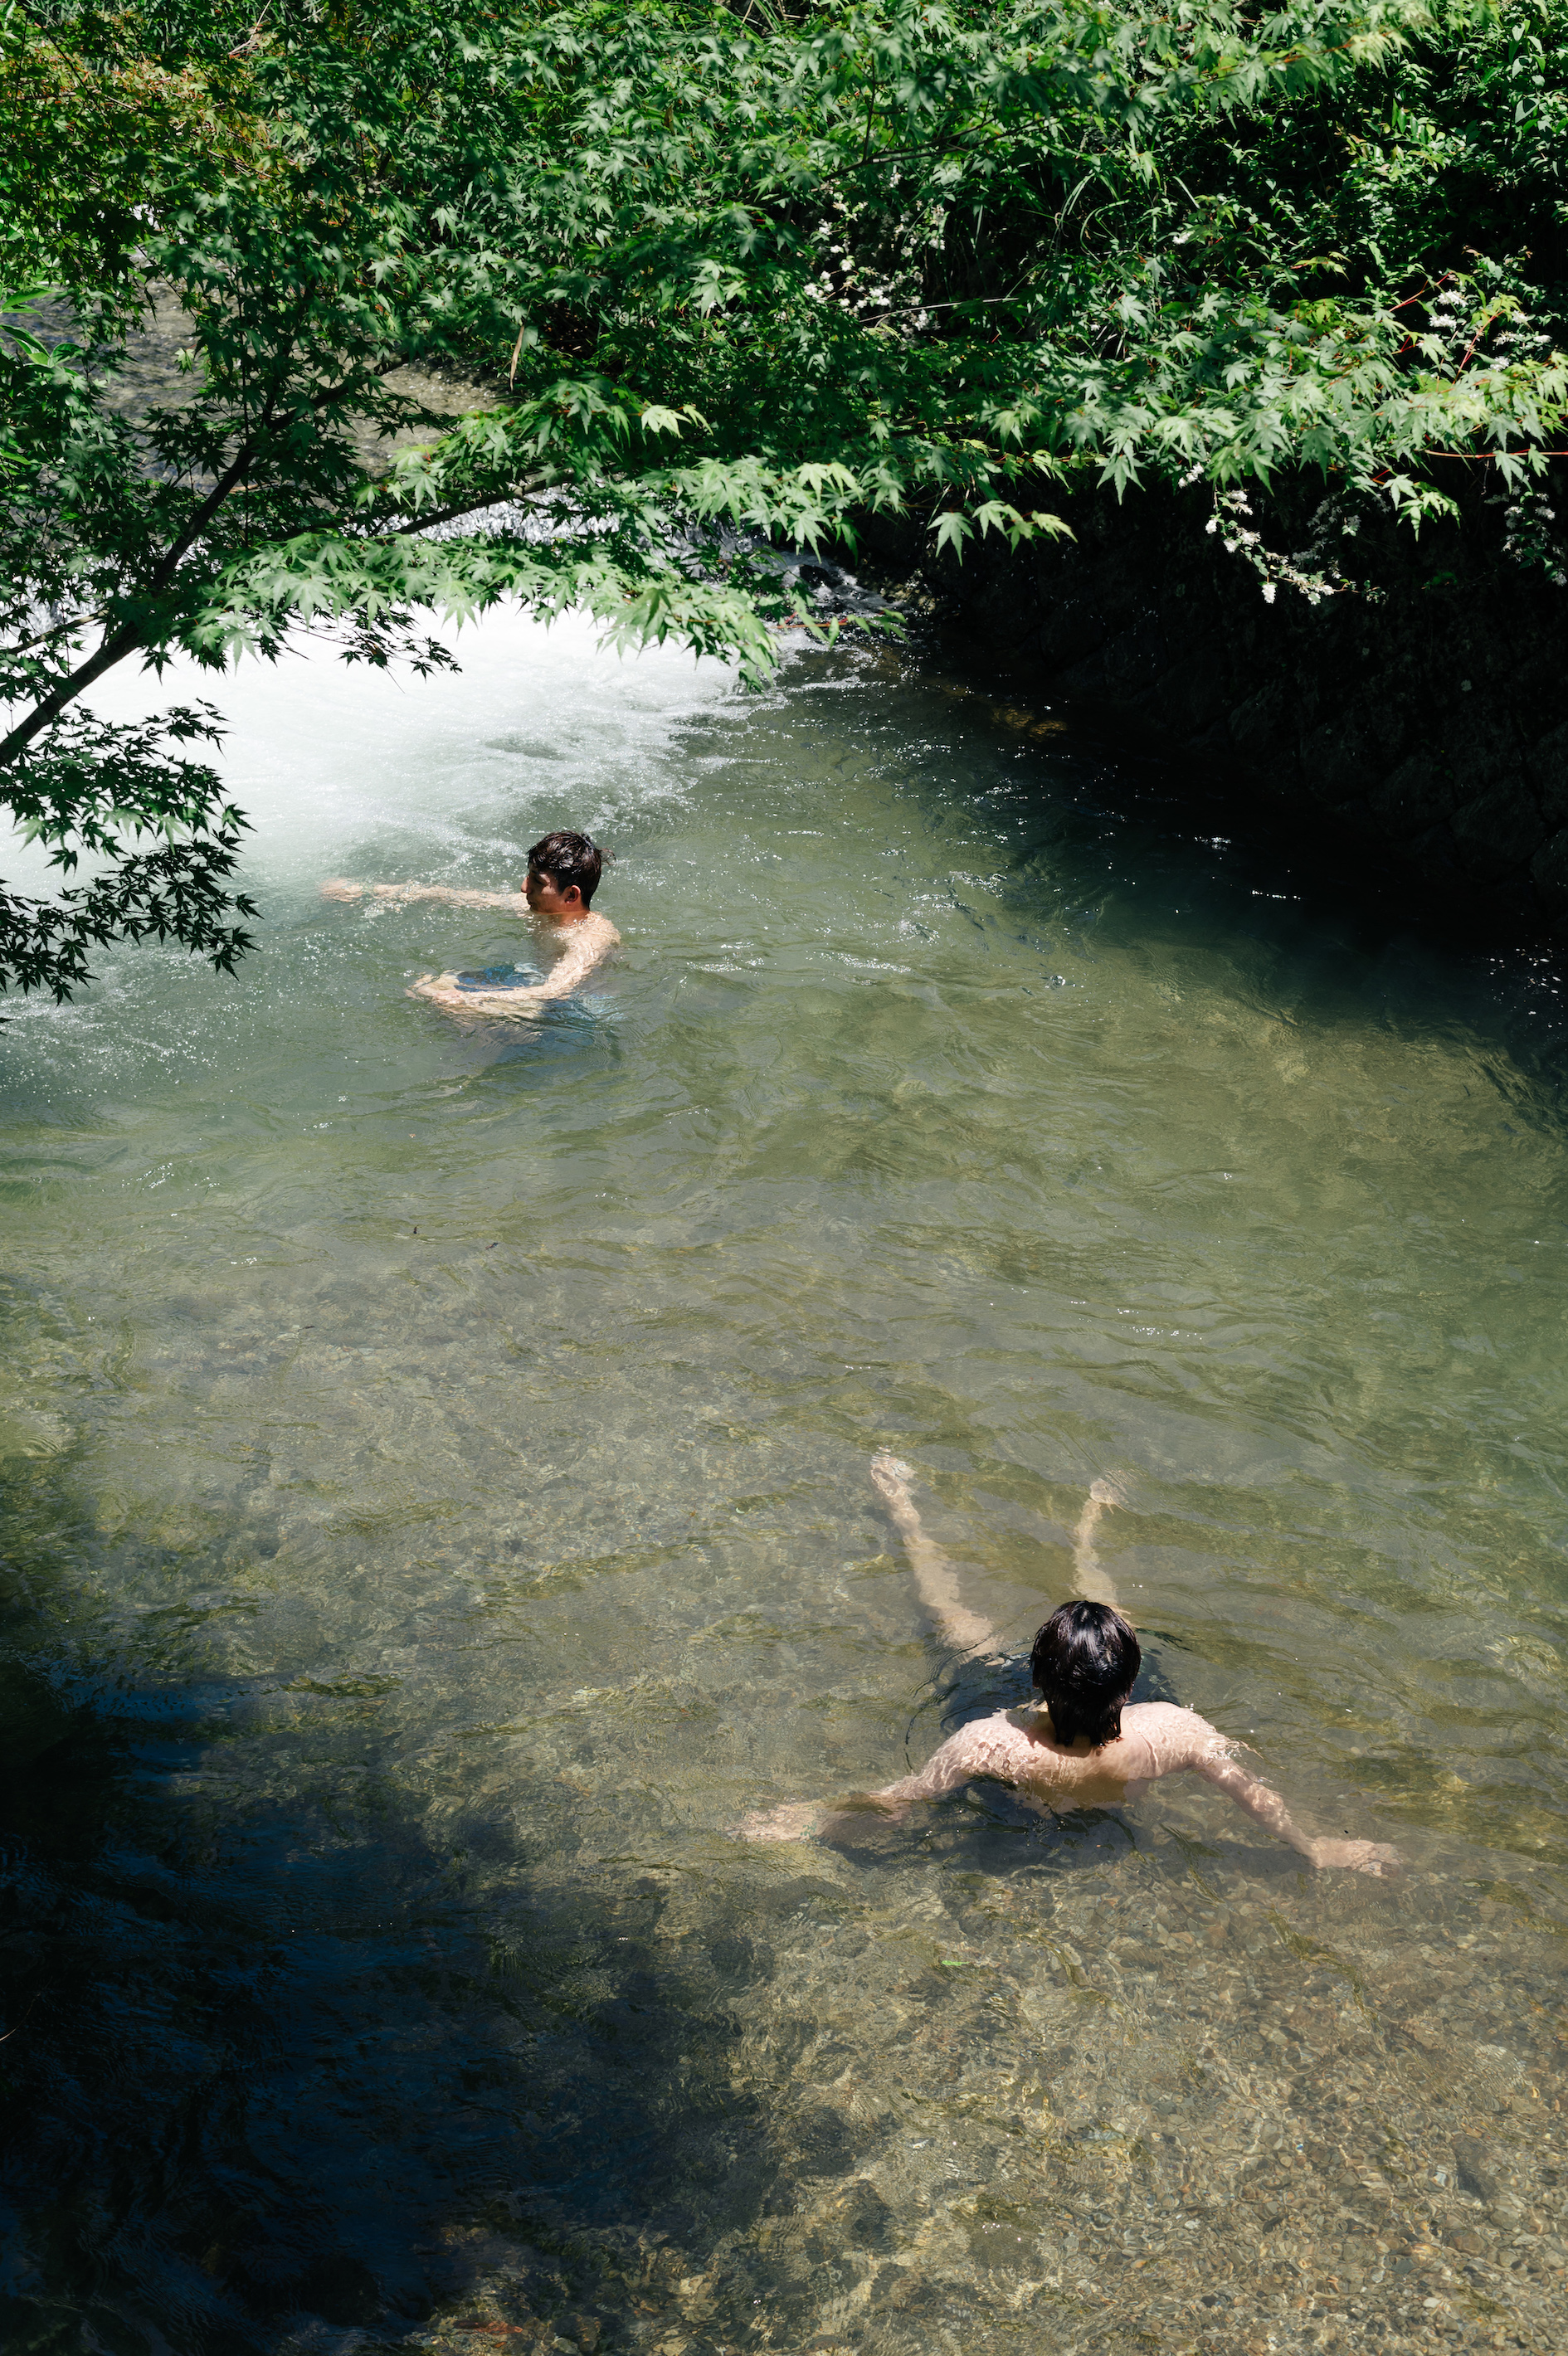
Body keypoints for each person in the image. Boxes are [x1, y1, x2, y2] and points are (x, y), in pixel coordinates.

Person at [737, 1453, 1401, 1877]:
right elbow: (1252, 1793)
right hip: (1106, 1729)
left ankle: (907, 1516)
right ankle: (1089, 1525)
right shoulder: (1173, 1730)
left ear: (1030, 1678)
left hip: (1029, 1744)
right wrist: (1317, 1847)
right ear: (1133, 1685)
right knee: (1108, 1608)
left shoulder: (990, 1742)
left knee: (949, 1613)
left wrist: (806, 1818)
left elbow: (899, 1800)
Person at [320, 830, 620, 1017]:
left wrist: (473, 1002)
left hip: (579, 1009)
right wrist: (368, 891)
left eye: (537, 882)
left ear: (571, 895)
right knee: (425, 988)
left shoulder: (589, 937)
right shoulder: (536, 908)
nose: (523, 887)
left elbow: (556, 992)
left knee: (456, 1008)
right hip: (534, 983)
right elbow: (453, 897)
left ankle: (466, 1081)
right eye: (528, 875)